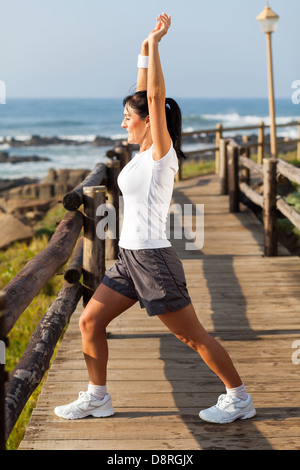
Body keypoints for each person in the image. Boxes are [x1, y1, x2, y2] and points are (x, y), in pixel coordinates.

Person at [54, 13, 256, 424]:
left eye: (128, 116)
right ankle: (98, 397)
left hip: (152, 260)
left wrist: (158, 46)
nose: (123, 121)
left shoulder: (160, 155)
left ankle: (239, 398)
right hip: (129, 259)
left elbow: (155, 94)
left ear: (149, 120)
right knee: (91, 319)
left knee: (191, 335)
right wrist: (144, 47)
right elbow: (147, 91)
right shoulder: (142, 153)